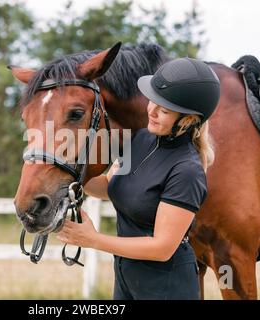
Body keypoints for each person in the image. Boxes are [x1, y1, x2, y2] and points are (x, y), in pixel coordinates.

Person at [56, 57, 221, 300]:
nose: (151, 111)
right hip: (127, 276)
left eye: (163, 110)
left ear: (188, 120)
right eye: (152, 101)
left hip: (166, 286)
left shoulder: (187, 170)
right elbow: (108, 187)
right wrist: (66, 166)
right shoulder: (141, 139)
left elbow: (162, 248)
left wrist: (93, 240)